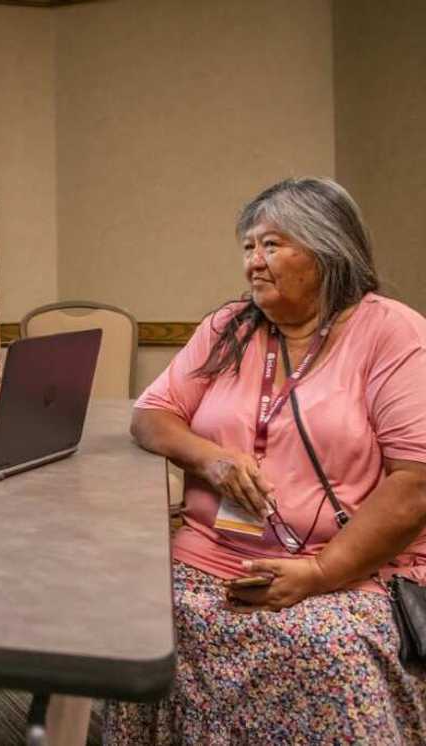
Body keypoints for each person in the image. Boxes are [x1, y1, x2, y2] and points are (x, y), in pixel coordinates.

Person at [105, 177, 426, 743]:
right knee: (137, 619)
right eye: (249, 246)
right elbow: (150, 416)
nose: (254, 261)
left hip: (343, 571)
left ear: (328, 250)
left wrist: (321, 574)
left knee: (323, 651)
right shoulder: (229, 326)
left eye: (273, 245)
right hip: (209, 555)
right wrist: (212, 461)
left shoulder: (392, 332)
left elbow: (415, 484)